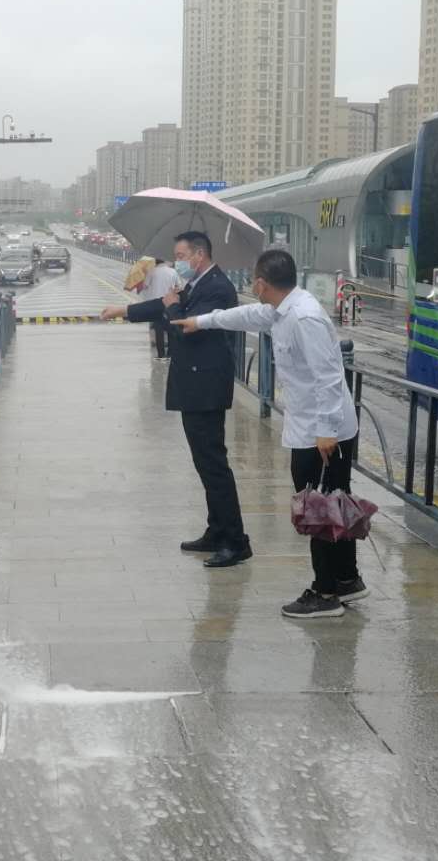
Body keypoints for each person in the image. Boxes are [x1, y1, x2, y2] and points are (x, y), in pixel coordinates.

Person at [171, 248, 362, 617]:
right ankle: (347, 579)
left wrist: (325, 431)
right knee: (334, 503)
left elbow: (329, 377)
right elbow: (246, 315)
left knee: (318, 509)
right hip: (314, 426)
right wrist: (202, 320)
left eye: (254, 281)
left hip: (322, 433)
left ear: (261, 282)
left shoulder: (304, 317)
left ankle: (324, 595)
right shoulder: (282, 308)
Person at [101, 231, 250, 567]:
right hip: (194, 383)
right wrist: (123, 309)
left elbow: (185, 325)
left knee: (214, 465)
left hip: (206, 386)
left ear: (199, 254)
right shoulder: (196, 283)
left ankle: (235, 540)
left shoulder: (217, 287)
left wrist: (173, 306)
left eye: (181, 255)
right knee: (203, 463)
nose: (178, 261)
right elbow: (163, 305)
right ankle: (216, 530)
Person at [141, 259, 178, 359]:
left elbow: (145, 286)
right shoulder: (173, 271)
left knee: (159, 330)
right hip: (169, 304)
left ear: (156, 262)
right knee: (171, 330)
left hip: (157, 305)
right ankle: (170, 353)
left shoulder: (152, 271)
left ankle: (161, 355)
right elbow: (177, 287)